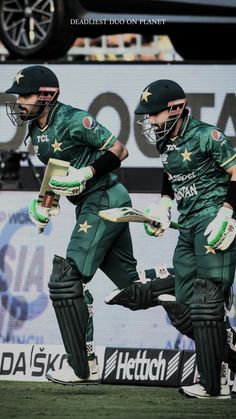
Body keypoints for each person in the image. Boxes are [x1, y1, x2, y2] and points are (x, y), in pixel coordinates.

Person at [4, 66, 176, 386]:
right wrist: (44, 204)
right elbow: (56, 169)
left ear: (46, 95)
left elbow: (119, 150)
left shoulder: (74, 119)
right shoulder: (36, 132)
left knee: (67, 281)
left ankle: (83, 366)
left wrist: (85, 175)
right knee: (131, 287)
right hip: (92, 203)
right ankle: (180, 286)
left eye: (24, 96)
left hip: (103, 197)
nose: (19, 103)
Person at [106, 79, 236, 399]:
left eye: (154, 114)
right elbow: (170, 173)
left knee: (207, 301)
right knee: (185, 308)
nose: (149, 121)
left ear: (176, 109)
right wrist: (164, 206)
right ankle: (225, 349)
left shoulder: (208, 135)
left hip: (212, 221)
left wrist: (227, 212)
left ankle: (212, 382)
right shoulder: (165, 141)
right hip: (188, 225)